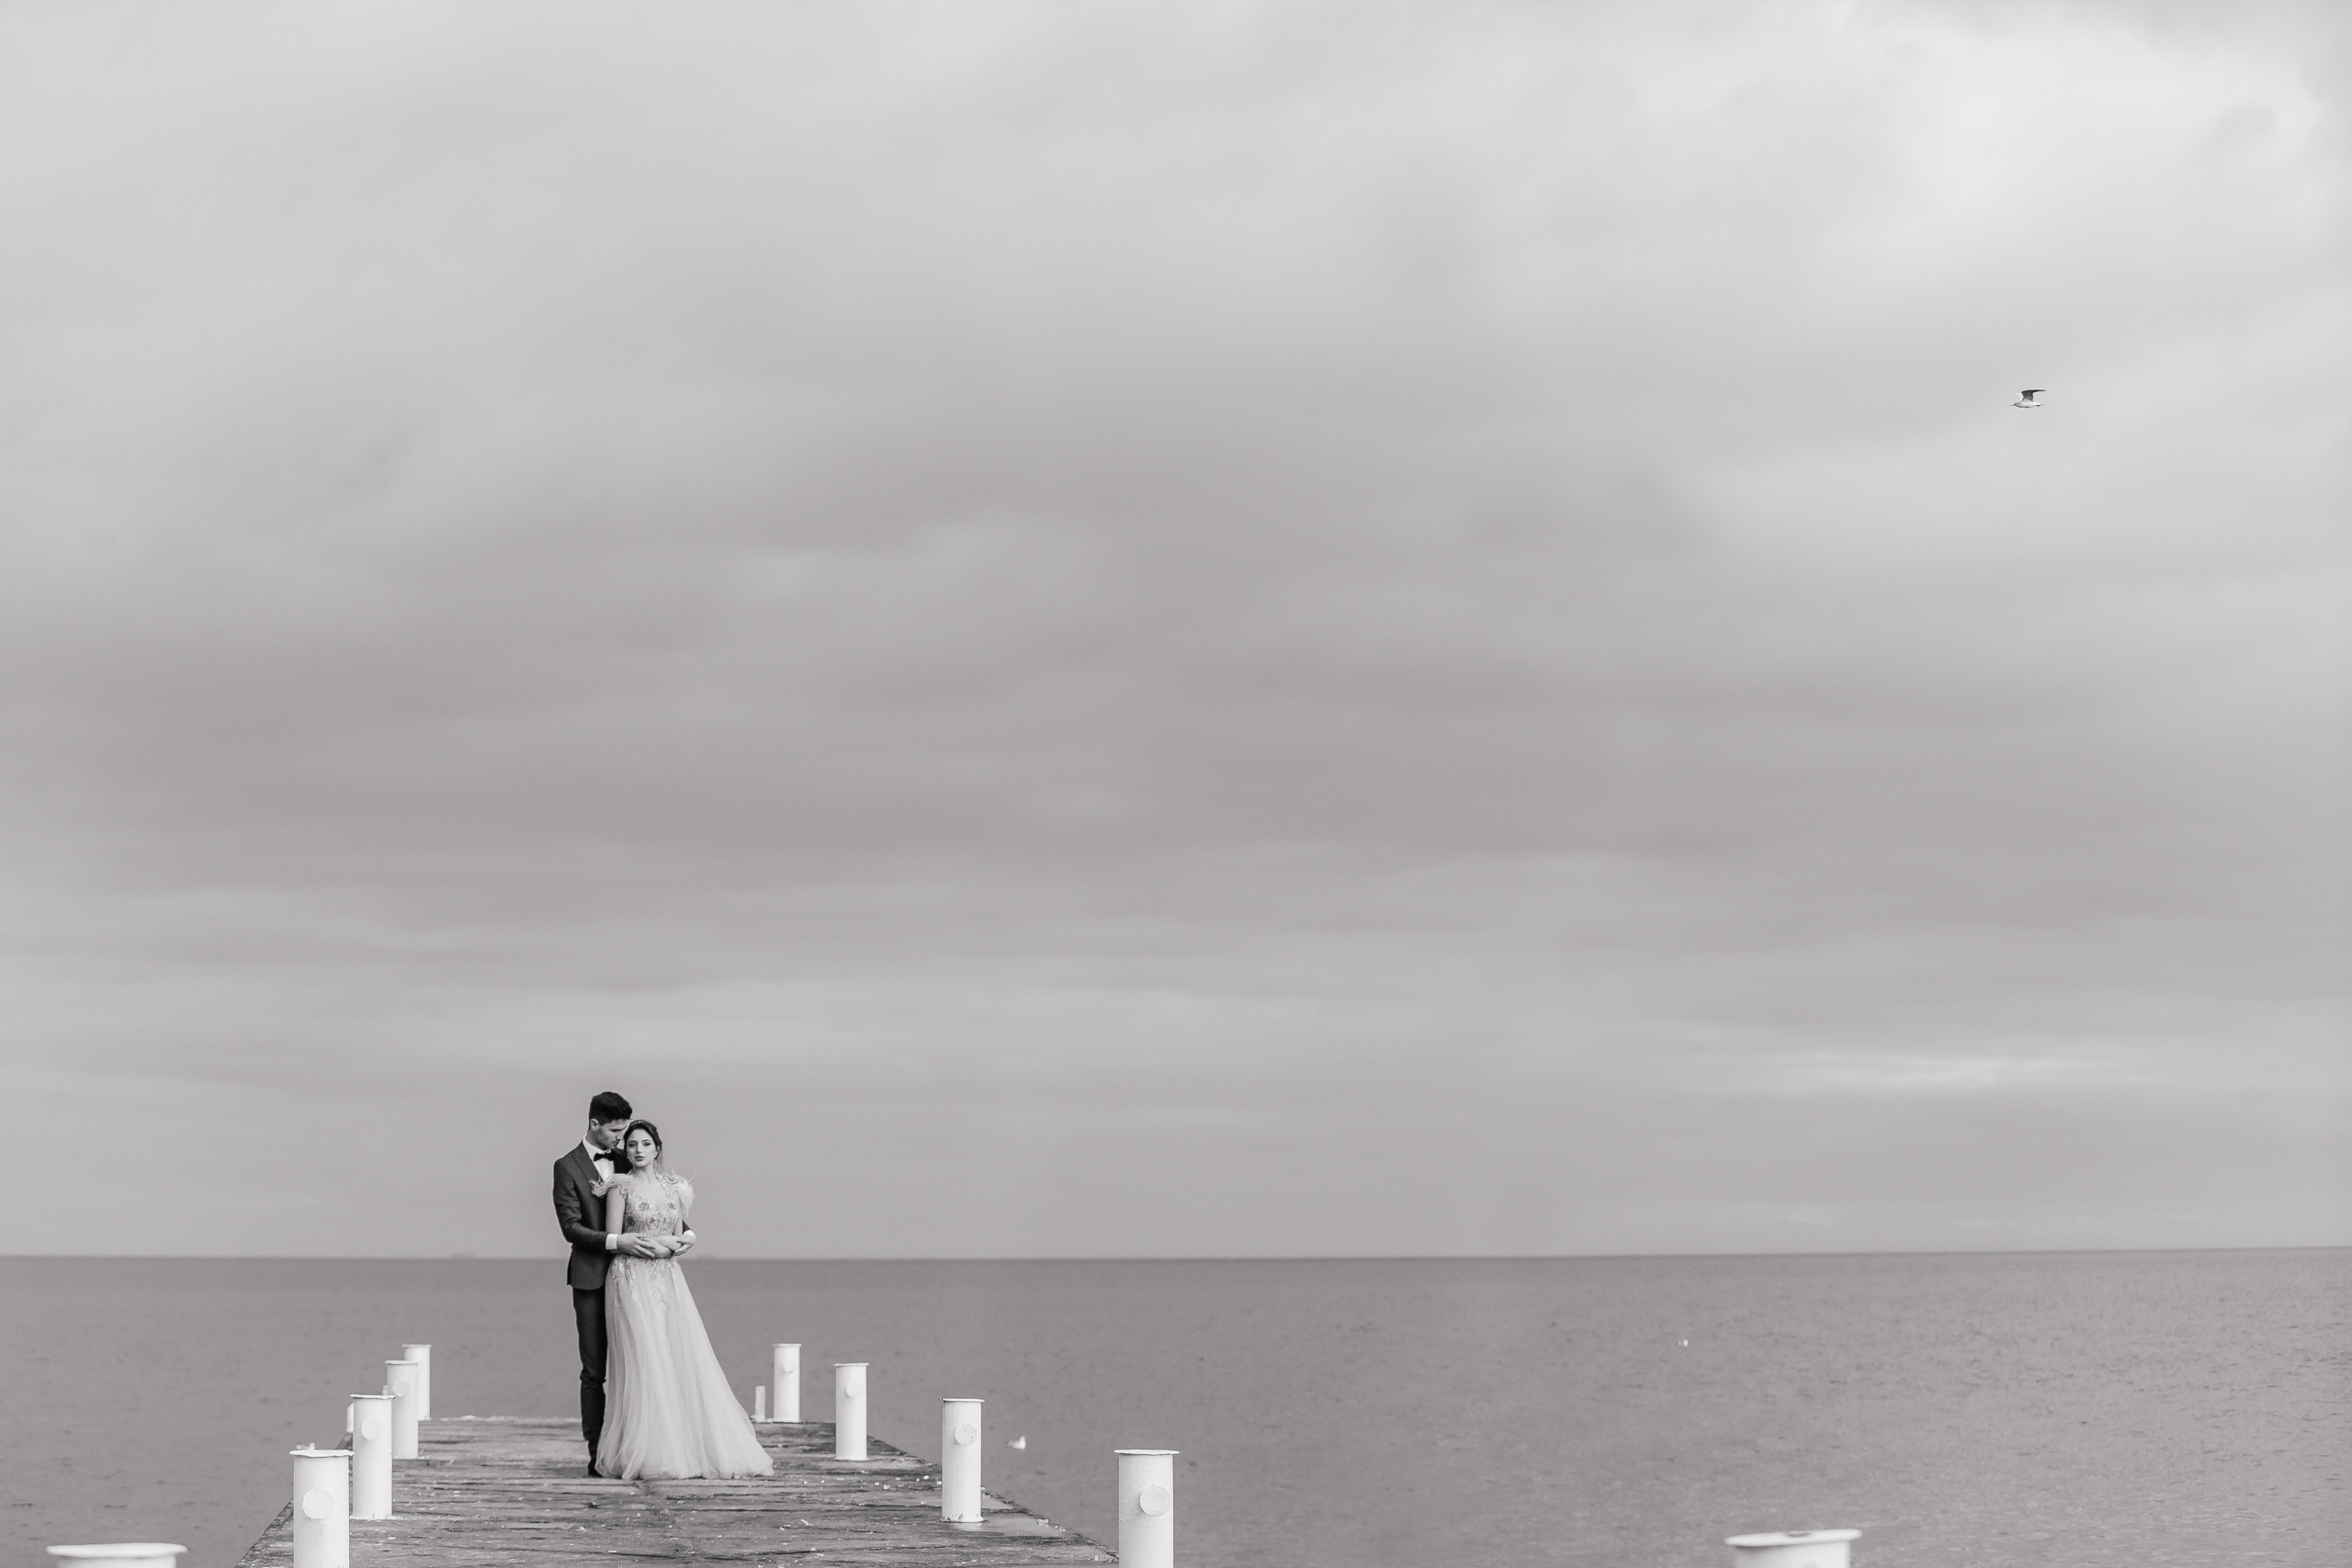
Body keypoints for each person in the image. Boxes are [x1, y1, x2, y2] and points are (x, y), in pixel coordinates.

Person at [592, 1120, 774, 1479]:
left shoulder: (676, 1188)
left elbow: (678, 1236)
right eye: (631, 1145)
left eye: (645, 1144)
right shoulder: (620, 1187)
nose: (638, 1150)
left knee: (679, 1355)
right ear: (624, 1151)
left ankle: (688, 1446)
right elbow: (616, 1238)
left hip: (668, 1279)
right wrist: (657, 1246)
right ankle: (650, 1453)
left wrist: (682, 1244)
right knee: (645, 1359)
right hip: (631, 1278)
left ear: (657, 1149)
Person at [551, 1090, 668, 1474]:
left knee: (636, 1365)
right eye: (615, 1131)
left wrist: (682, 1235)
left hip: (633, 1281)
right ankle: (595, 1452)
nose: (622, 1140)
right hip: (590, 1279)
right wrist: (617, 1241)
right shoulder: (566, 1167)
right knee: (594, 1371)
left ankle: (633, 1447)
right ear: (594, 1125)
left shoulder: (627, 1157)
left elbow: (655, 1202)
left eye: (626, 1132)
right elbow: (571, 1228)